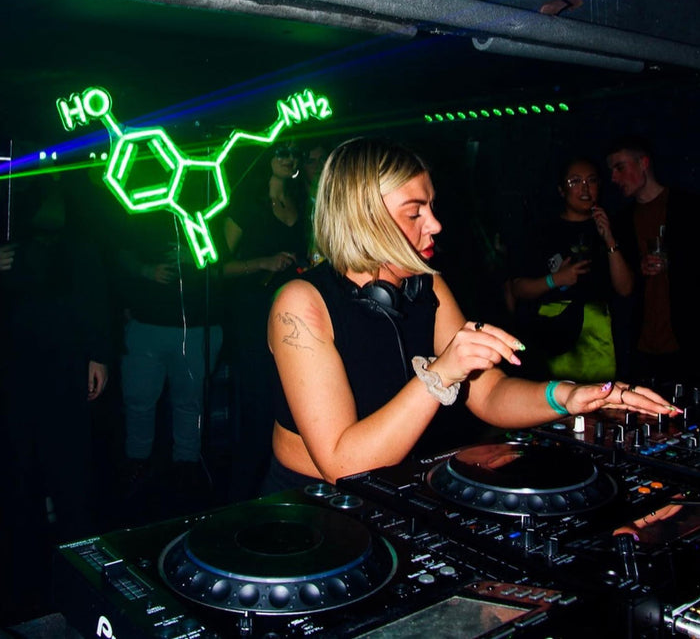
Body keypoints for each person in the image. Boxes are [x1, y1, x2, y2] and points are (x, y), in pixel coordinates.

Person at [262, 138, 673, 491]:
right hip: (313, 506)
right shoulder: (302, 304)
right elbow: (343, 466)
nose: (436, 224)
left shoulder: (428, 284)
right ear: (363, 217)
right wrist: (440, 374)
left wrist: (569, 395)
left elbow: (490, 394)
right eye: (415, 212)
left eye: (432, 207)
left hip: (398, 485)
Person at [0, 178, 110, 623]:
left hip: (64, 357)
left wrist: (98, 351)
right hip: (11, 362)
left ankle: (79, 578)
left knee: (70, 474)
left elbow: (92, 269)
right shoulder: (12, 200)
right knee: (16, 474)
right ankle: (23, 585)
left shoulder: (74, 199)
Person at [222, 142, 310, 500]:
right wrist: (263, 262)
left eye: (294, 153)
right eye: (281, 153)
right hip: (253, 315)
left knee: (290, 401)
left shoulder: (302, 200)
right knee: (258, 407)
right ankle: (244, 494)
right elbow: (217, 268)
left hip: (294, 317)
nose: (290, 158)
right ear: (265, 159)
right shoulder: (244, 205)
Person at [118, 209, 224, 497]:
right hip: (147, 322)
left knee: (190, 402)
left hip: (198, 326)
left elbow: (222, 267)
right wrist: (146, 270)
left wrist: (197, 258)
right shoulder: (143, 207)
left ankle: (186, 466)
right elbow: (120, 251)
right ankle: (137, 463)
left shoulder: (208, 206)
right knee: (139, 398)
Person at [510, 156, 634, 381]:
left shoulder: (612, 226)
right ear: (561, 190)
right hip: (552, 334)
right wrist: (555, 280)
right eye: (575, 181)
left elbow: (625, 289)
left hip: (598, 340)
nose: (585, 188)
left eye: (592, 180)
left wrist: (609, 239)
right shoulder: (543, 231)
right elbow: (518, 289)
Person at [606, 135, 700, 387]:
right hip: (641, 346)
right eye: (611, 171)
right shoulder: (621, 221)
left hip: (687, 342)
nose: (614, 178)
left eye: (620, 167)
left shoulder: (688, 207)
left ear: (643, 163)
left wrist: (675, 263)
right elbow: (622, 288)